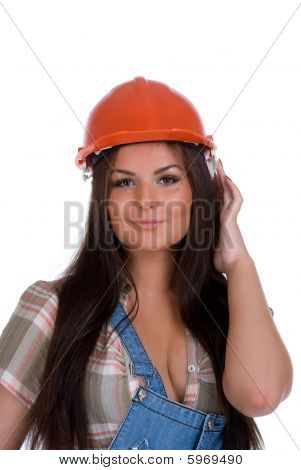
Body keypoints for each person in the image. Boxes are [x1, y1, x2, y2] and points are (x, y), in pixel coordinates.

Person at [0, 77, 293, 450]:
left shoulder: (232, 306)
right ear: (101, 197)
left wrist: (238, 262)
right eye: (124, 183)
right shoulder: (52, 310)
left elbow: (260, 395)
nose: (146, 201)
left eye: (167, 179)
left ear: (201, 189)